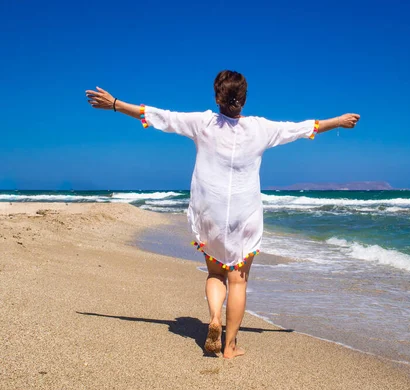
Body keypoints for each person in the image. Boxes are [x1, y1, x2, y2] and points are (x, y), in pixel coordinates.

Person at [86, 70, 360, 358]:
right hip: (246, 214)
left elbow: (159, 116)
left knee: (215, 272)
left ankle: (215, 318)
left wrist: (115, 103)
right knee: (238, 281)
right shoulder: (261, 128)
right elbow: (303, 128)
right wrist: (338, 121)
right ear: (243, 99)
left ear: (217, 96)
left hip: (210, 212)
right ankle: (230, 347)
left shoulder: (202, 123)